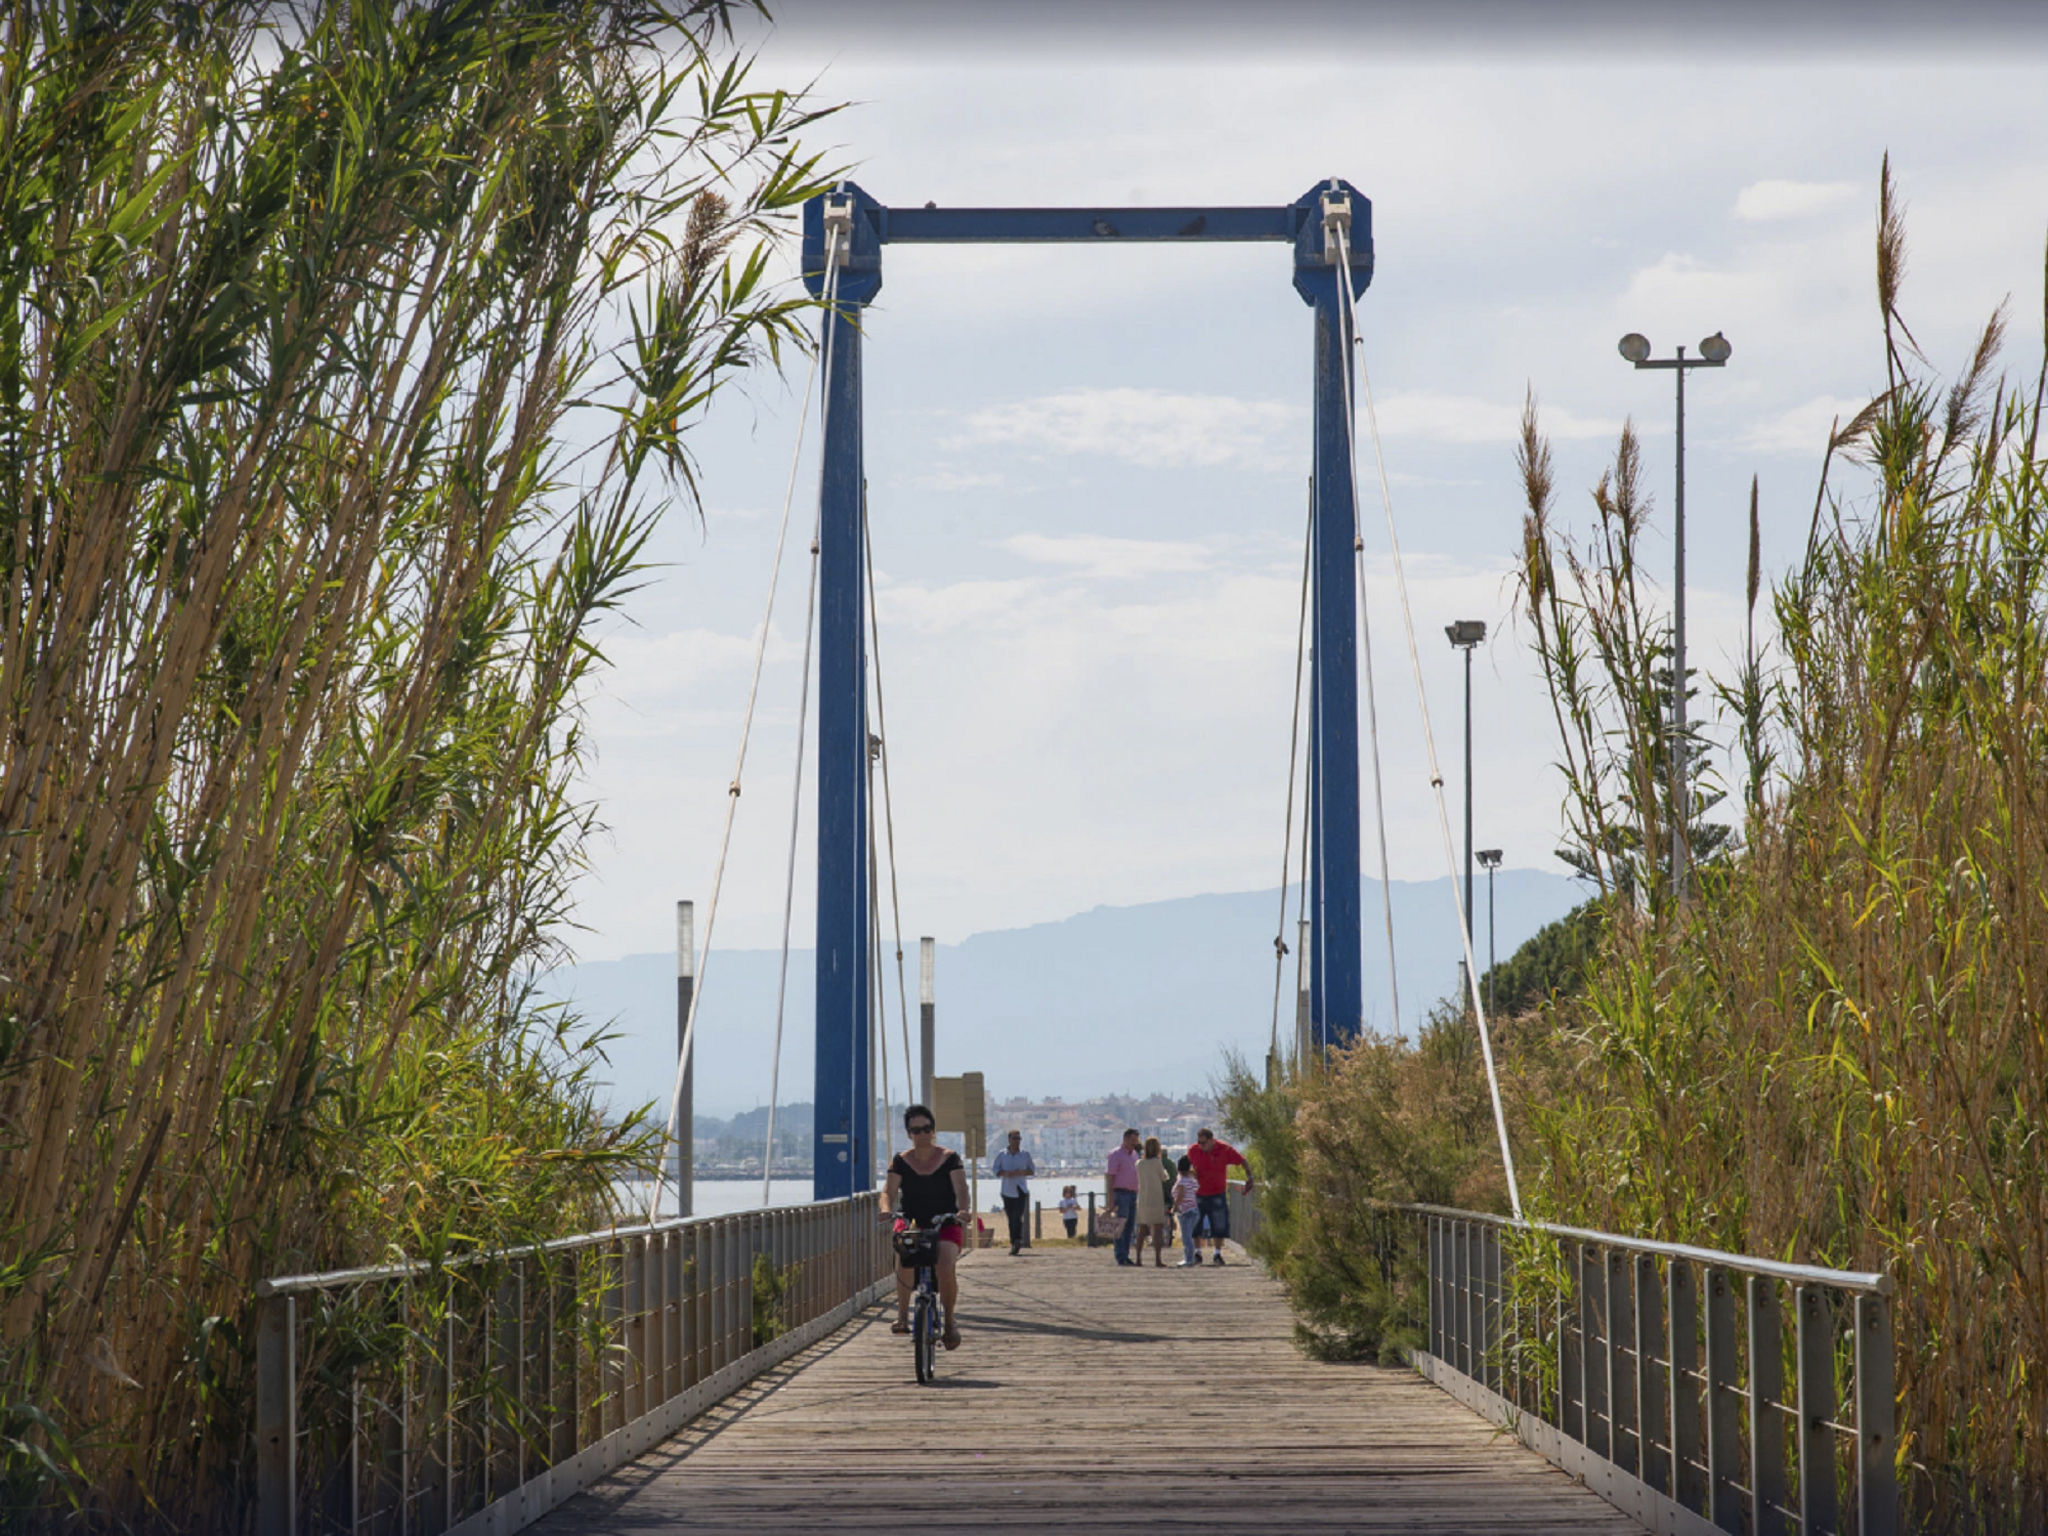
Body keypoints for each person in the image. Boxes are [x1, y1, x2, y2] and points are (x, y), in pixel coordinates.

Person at [884, 1103, 971, 1349]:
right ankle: (902, 1316)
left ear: (933, 1130)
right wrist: (884, 1208)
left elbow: (961, 1190)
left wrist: (963, 1210)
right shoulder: (901, 1161)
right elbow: (888, 1191)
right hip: (913, 1221)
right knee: (905, 1255)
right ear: (909, 1133)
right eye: (916, 1130)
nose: (922, 1134)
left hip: (945, 1221)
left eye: (927, 1129)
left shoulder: (949, 1158)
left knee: (944, 1263)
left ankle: (950, 1321)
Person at [1185, 1126, 1253, 1265]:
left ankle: (1217, 1253)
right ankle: (1197, 1252)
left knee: (1219, 1224)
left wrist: (1250, 1176)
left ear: (1211, 1141)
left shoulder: (1224, 1149)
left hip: (1217, 1193)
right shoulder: (1193, 1150)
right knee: (1195, 1224)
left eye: (1203, 1143)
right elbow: (1186, 1167)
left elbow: (1242, 1160)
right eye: (1199, 1143)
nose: (1201, 1146)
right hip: (1198, 1193)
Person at [990, 1129, 1036, 1256]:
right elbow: (995, 1171)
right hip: (1007, 1191)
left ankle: (1017, 1240)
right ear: (1009, 1140)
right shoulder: (1002, 1155)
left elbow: (1032, 1170)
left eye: (1018, 1138)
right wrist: (1005, 1173)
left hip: (1021, 1190)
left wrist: (1022, 1172)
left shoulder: (1025, 1155)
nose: (1017, 1141)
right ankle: (1014, 1242)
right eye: (1014, 1138)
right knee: (1011, 1218)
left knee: (1017, 1216)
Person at [1104, 1128, 1142, 1266]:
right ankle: (1120, 1255)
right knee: (1120, 1226)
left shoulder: (1134, 1155)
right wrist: (1111, 1199)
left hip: (1133, 1193)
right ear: (1125, 1139)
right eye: (1132, 1140)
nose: (1134, 1143)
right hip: (1121, 1193)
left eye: (1136, 1140)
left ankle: (1125, 1254)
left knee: (1130, 1226)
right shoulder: (1115, 1154)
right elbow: (1110, 1177)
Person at [1134, 1135, 1173, 1267]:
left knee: (1142, 1229)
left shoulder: (1139, 1163)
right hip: (1155, 1198)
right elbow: (1164, 1177)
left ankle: (1138, 1259)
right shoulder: (1157, 1162)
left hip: (1143, 1198)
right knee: (1157, 1229)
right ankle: (1157, 1259)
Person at [1171, 1154, 1202, 1267]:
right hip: (1194, 1210)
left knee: (1186, 1236)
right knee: (1189, 1235)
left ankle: (1189, 1259)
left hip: (1185, 1211)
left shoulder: (1182, 1181)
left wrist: (1175, 1206)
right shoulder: (1193, 1180)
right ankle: (1190, 1257)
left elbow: (1181, 1194)